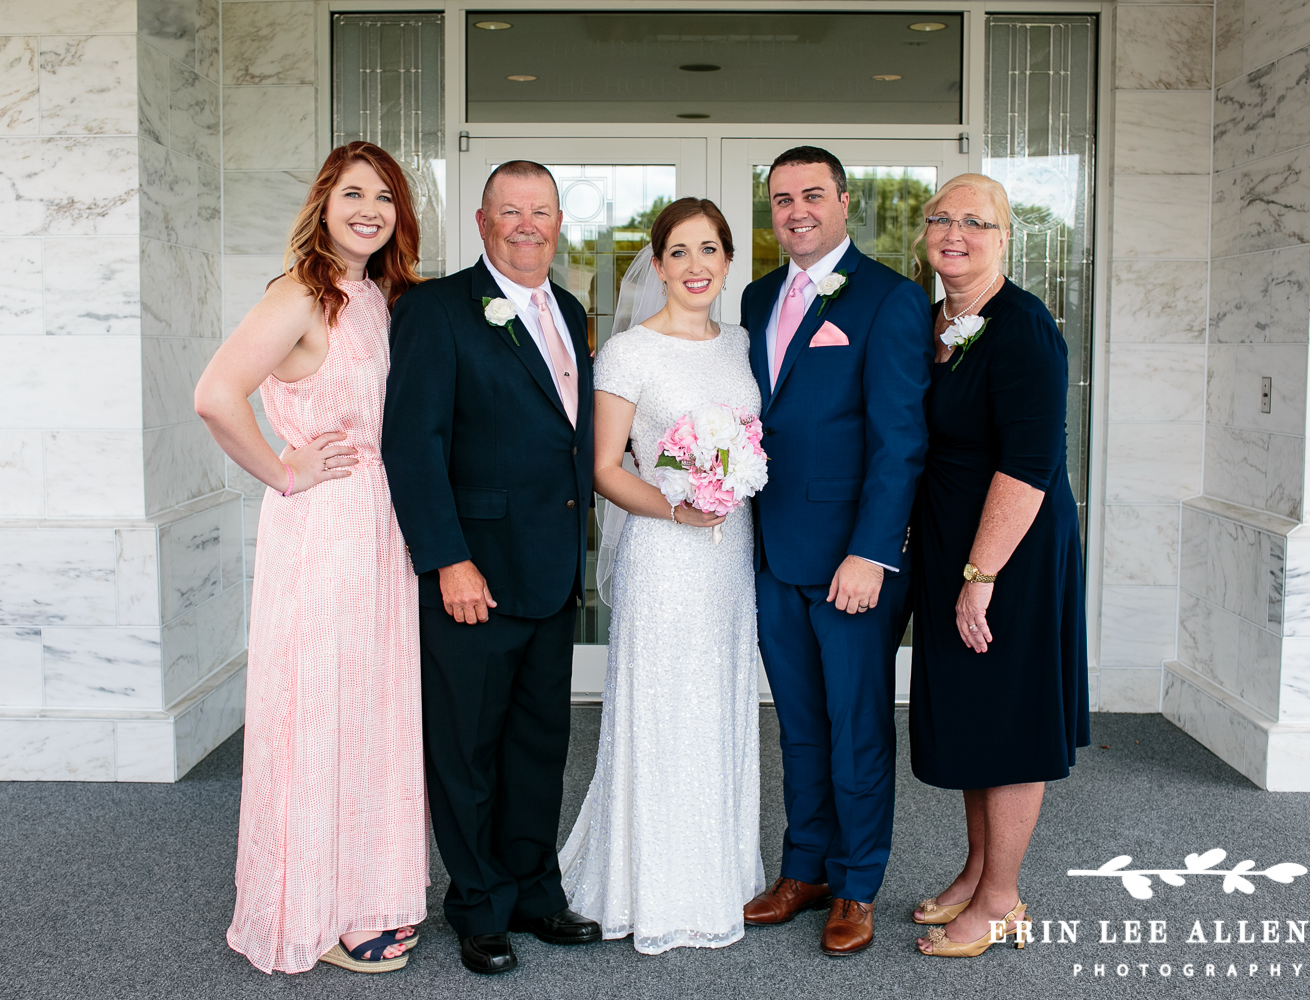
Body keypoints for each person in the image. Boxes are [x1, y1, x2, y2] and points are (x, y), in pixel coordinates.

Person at [195, 141, 427, 975]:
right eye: (353, 193)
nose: (370, 209)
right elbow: (215, 397)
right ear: (324, 203)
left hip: (384, 532)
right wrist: (284, 470)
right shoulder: (299, 292)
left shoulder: (377, 294)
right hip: (325, 527)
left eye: (385, 197)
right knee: (320, 713)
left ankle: (366, 891)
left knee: (372, 714)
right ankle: (312, 908)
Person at [382, 160, 602, 976]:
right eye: (509, 211)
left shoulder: (572, 310)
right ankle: (476, 902)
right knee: (466, 749)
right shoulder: (436, 310)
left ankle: (535, 891)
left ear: (556, 222)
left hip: (551, 573)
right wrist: (447, 560)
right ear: (482, 222)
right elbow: (412, 444)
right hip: (472, 576)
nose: (526, 225)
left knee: (540, 743)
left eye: (539, 211)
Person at [739, 146, 932, 956]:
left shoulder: (890, 299)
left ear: (845, 201)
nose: (796, 211)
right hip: (769, 550)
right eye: (782, 199)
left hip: (852, 560)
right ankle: (805, 868)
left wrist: (873, 552)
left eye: (812, 195)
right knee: (801, 727)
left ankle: (857, 883)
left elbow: (900, 441)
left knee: (856, 727)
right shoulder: (752, 298)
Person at [559, 198, 765, 954]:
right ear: (657, 262)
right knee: (665, 706)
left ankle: (718, 874)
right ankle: (648, 883)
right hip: (666, 549)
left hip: (729, 551)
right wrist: (679, 510)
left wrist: (724, 487)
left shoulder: (743, 344)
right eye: (679, 251)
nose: (696, 265)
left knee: (718, 700)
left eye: (709, 249)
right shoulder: (628, 354)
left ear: (729, 258)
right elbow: (605, 468)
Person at [905, 173, 1088, 958]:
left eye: (975, 221)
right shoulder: (937, 320)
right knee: (977, 712)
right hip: (954, 543)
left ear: (1005, 237)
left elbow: (1030, 463)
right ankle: (978, 871)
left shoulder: (1021, 326)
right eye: (941, 217)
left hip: (1009, 550)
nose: (955, 232)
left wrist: (980, 578)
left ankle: (1005, 897)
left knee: (1007, 717)